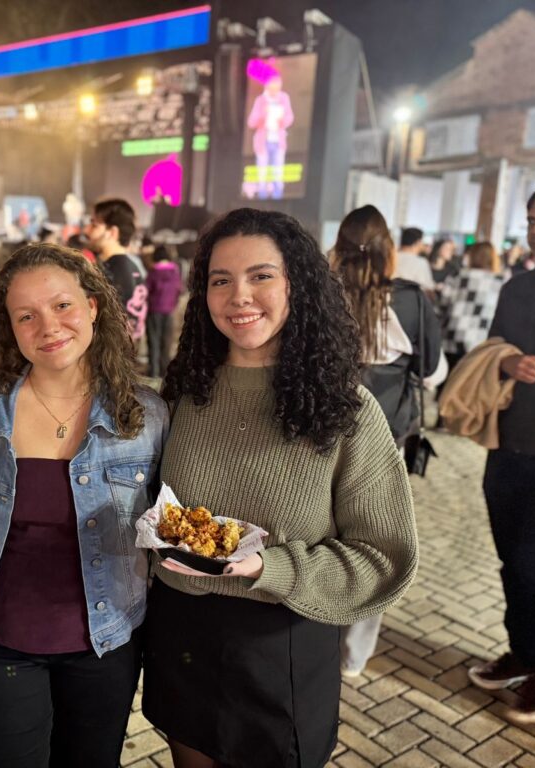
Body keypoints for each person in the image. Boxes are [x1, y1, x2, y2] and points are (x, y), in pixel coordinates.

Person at [144, 208, 418, 768]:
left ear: (298, 284)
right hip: (181, 629)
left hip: (282, 637)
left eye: (261, 276)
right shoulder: (184, 393)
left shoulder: (346, 410)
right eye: (221, 280)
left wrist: (273, 567)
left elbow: (384, 557)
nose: (239, 295)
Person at [0, 243, 168, 767]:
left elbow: (171, 529)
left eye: (63, 306)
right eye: (27, 315)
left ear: (93, 306)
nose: (48, 325)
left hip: (106, 643)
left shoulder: (147, 416)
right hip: (0, 644)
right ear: (10, 327)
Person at [331, 205, 442, 676]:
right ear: (389, 250)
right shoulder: (412, 300)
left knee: (319, 534)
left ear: (338, 246)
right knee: (376, 543)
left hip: (319, 434)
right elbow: (432, 371)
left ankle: (315, 627)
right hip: (384, 440)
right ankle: (353, 656)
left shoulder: (321, 293)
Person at [468, 184, 535, 725]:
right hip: (509, 447)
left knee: (534, 560)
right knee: (513, 560)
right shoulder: (517, 288)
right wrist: (508, 364)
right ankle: (524, 653)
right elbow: (492, 347)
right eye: (532, 219)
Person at [85, 198, 147, 339]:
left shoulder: (113, 270)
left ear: (112, 232)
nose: (87, 230)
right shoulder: (130, 266)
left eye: (94, 225)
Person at [440, 242, 506, 369]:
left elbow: (443, 303)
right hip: (481, 340)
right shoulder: (500, 281)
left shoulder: (457, 276)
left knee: (448, 384)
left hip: (452, 336)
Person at [247, 74, 294, 200]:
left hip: (278, 141)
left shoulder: (284, 98)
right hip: (263, 142)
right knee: (262, 171)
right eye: (272, 87)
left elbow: (290, 118)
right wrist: (263, 115)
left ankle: (278, 196)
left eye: (277, 87)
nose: (275, 90)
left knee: (277, 170)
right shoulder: (260, 100)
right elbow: (251, 122)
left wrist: (281, 120)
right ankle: (262, 195)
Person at [145, 244, 183, 378]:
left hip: (154, 310)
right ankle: (164, 372)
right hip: (169, 310)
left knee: (154, 342)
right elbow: (179, 289)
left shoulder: (153, 271)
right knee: (166, 342)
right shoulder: (175, 271)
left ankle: (153, 372)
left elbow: (146, 290)